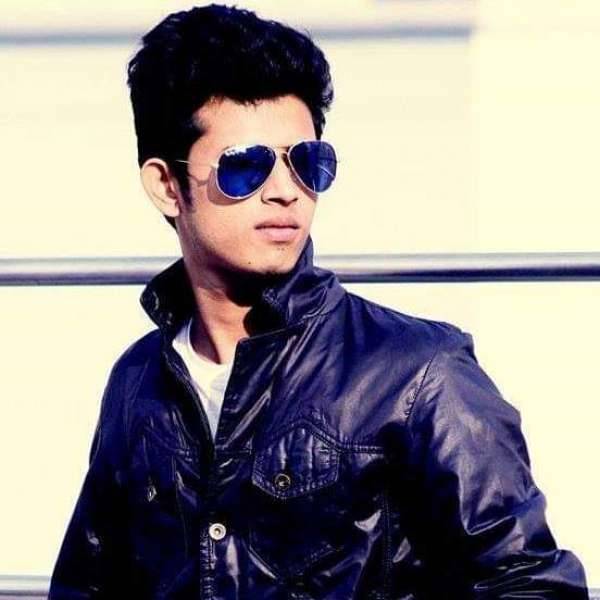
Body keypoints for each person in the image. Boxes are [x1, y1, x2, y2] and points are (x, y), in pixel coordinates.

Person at [49, 4, 589, 598]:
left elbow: (530, 584)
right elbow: (88, 585)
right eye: (245, 167)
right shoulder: (137, 382)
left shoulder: (418, 373)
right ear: (166, 185)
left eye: (308, 163)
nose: (286, 191)